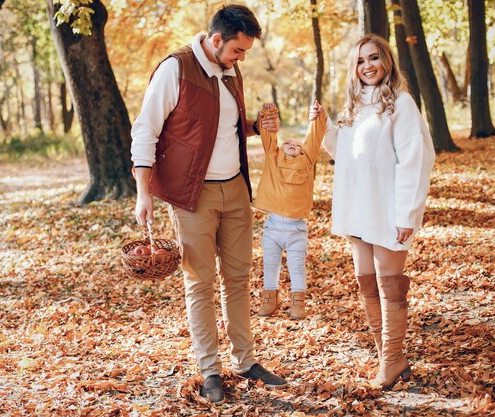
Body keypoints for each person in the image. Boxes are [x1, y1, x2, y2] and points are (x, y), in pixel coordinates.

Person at [130, 4, 287, 404]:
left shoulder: (231, 70)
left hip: (235, 188)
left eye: (245, 52)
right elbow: (145, 130)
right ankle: (210, 370)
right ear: (216, 40)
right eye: (238, 50)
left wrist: (255, 127)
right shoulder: (175, 69)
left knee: (237, 278)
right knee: (200, 282)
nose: (242, 59)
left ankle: (245, 361)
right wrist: (143, 191)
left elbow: (225, 126)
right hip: (191, 195)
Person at [309, 33, 435, 390]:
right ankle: (390, 359)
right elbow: (343, 153)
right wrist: (324, 126)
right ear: (355, 67)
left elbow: (418, 159)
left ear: (387, 62)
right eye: (362, 60)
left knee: (388, 284)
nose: (368, 66)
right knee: (366, 282)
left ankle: (392, 358)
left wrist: (407, 214)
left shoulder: (401, 104)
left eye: (374, 58)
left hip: (388, 209)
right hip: (358, 208)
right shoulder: (353, 107)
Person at [254, 102, 326, 320]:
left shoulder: (307, 160)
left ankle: (298, 301)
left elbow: (314, 137)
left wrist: (316, 117)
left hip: (296, 229)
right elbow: (268, 134)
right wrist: (269, 113)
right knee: (270, 265)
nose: (293, 144)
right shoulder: (273, 157)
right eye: (287, 143)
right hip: (273, 227)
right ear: (279, 148)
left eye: (297, 143)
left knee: (297, 268)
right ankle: (270, 297)